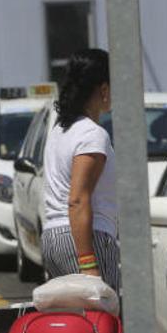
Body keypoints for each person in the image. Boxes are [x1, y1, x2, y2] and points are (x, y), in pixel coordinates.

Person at [41, 48, 120, 291]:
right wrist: (88, 264)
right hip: (85, 239)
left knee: (77, 324)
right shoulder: (92, 135)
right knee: (103, 323)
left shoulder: (60, 130)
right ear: (104, 89)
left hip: (53, 238)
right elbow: (77, 199)